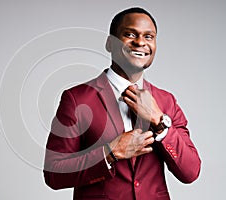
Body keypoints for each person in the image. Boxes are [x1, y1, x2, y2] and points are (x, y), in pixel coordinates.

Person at [43, 7, 201, 200]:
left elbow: (191, 172)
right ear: (110, 43)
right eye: (130, 34)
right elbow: (54, 173)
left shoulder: (166, 101)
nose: (140, 42)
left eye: (149, 36)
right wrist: (109, 153)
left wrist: (159, 120)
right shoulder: (77, 99)